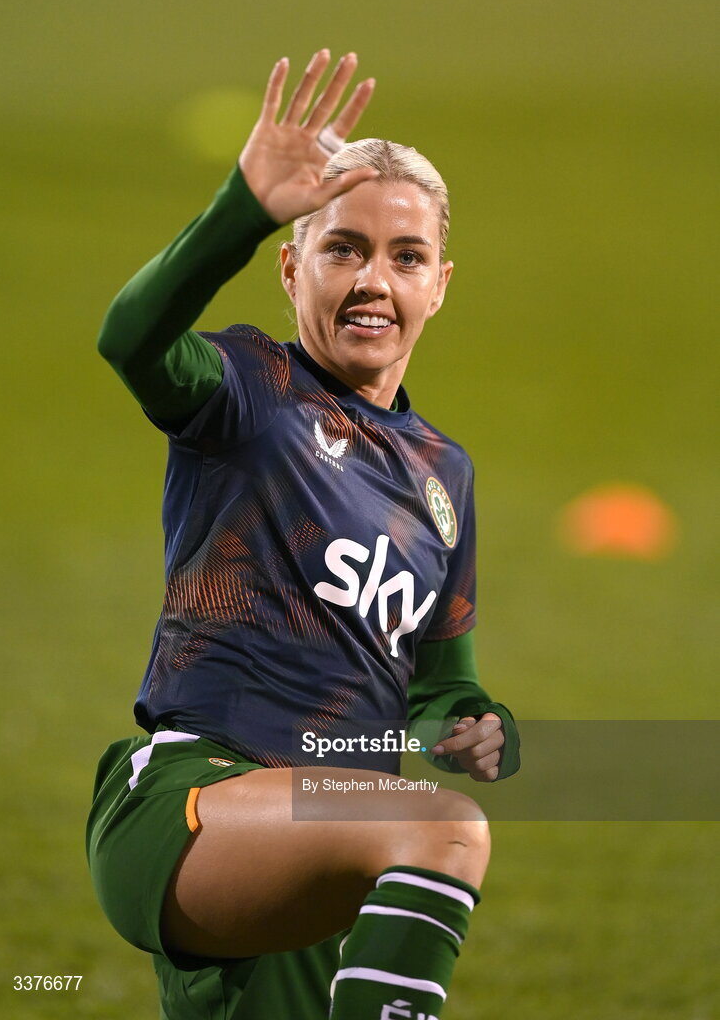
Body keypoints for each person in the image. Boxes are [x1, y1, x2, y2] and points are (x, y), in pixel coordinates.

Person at [87, 49, 520, 1020]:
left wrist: (470, 722)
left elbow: (439, 683)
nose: (375, 279)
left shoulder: (442, 475)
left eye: (404, 256)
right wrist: (240, 206)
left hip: (332, 845)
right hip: (197, 803)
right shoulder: (246, 391)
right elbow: (130, 339)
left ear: (439, 284)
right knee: (446, 830)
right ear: (291, 265)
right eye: (343, 248)